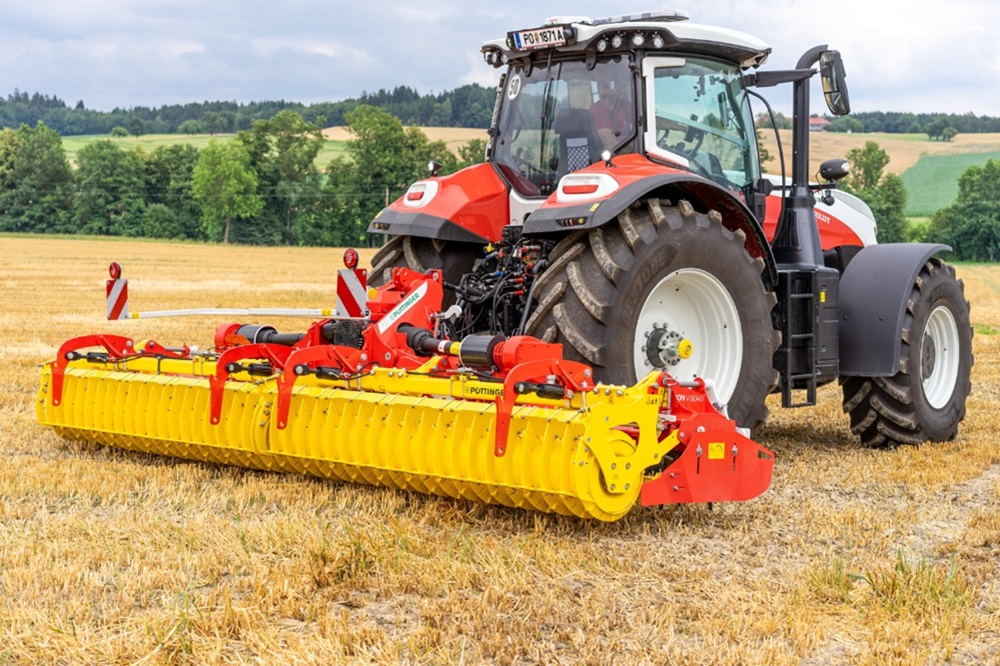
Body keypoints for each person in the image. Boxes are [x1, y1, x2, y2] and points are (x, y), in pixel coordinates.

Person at [590, 77, 631, 149]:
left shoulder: (625, 105)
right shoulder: (596, 111)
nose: (607, 101)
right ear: (598, 93)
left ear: (618, 93)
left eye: (611, 97)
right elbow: (613, 146)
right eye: (603, 97)